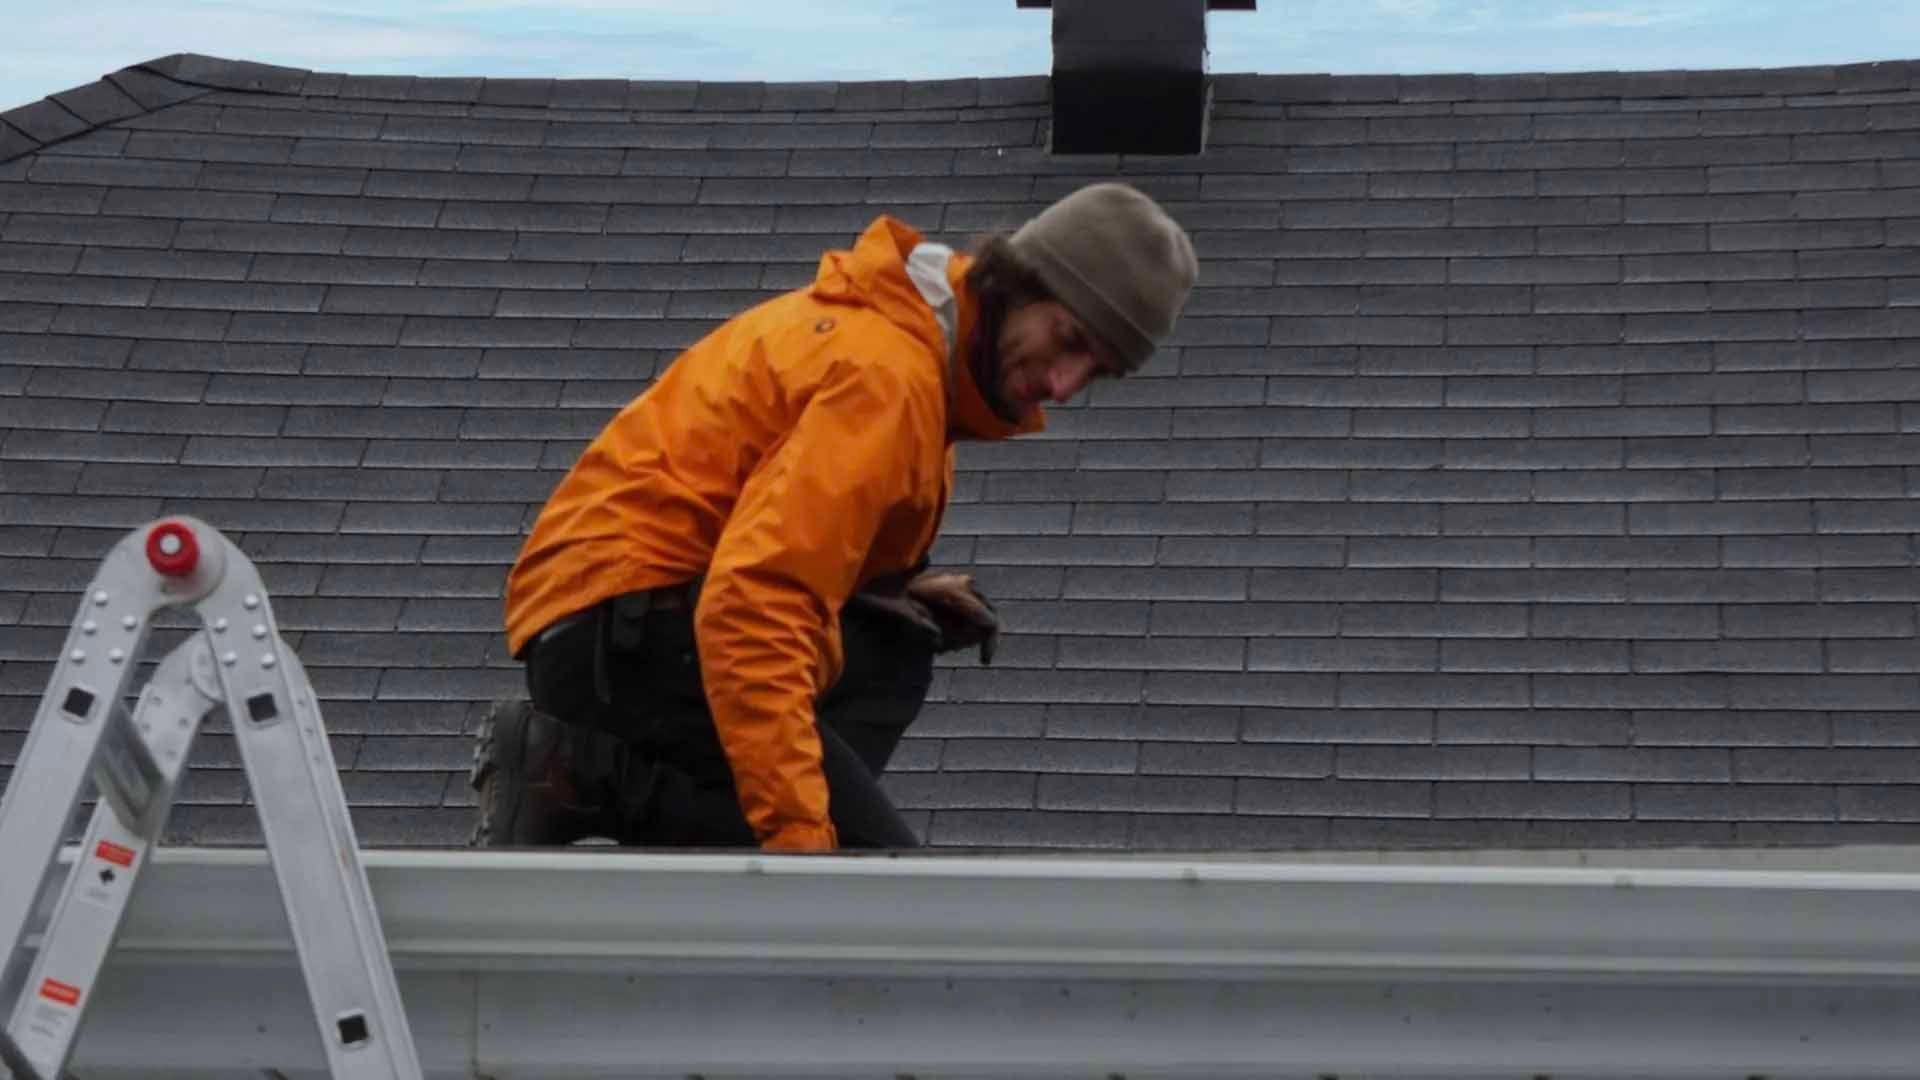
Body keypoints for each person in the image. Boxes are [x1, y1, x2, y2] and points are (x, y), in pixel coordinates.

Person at [470, 182, 1198, 852]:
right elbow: (754, 603)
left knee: (898, 644)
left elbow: (769, 546)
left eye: (1096, 372)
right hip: (619, 627)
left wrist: (878, 594)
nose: (1065, 386)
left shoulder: (917, 365)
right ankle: (576, 774)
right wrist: (802, 845)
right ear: (1015, 282)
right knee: (863, 870)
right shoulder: (888, 380)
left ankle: (608, 788)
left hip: (623, 618)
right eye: (1069, 341)